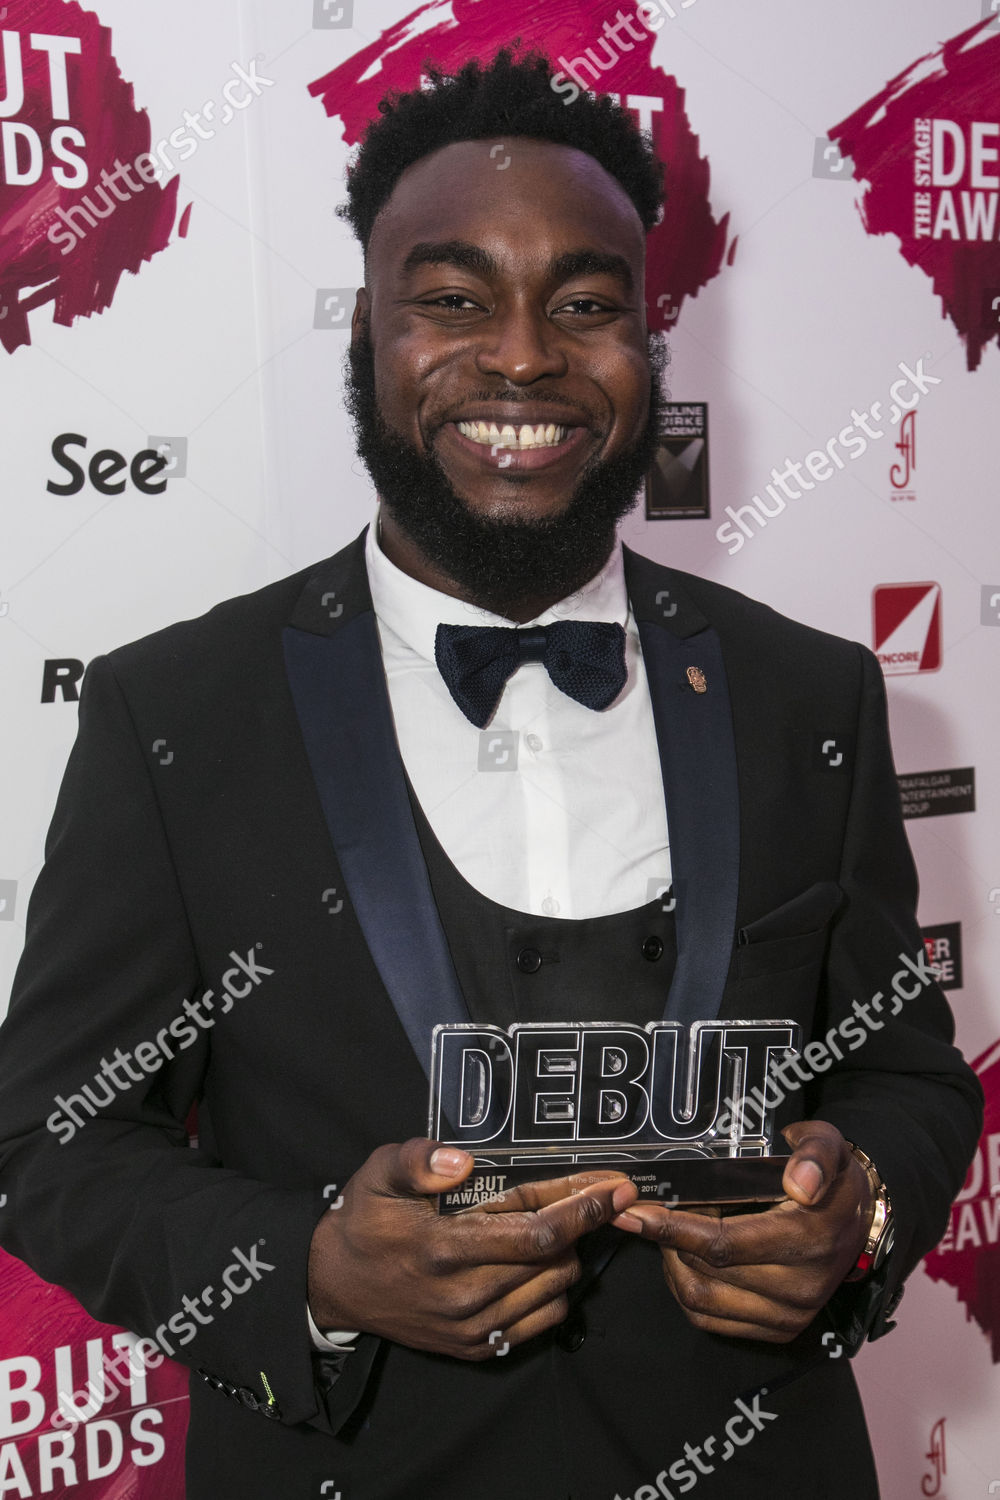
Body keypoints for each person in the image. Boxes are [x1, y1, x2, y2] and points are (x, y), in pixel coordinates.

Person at [0, 48, 983, 1500]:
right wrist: (314, 1266)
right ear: (366, 338)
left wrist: (864, 1210)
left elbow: (905, 1070)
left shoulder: (807, 693)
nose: (523, 359)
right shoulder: (177, 713)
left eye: (585, 305)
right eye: (454, 300)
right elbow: (53, 1139)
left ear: (650, 345)